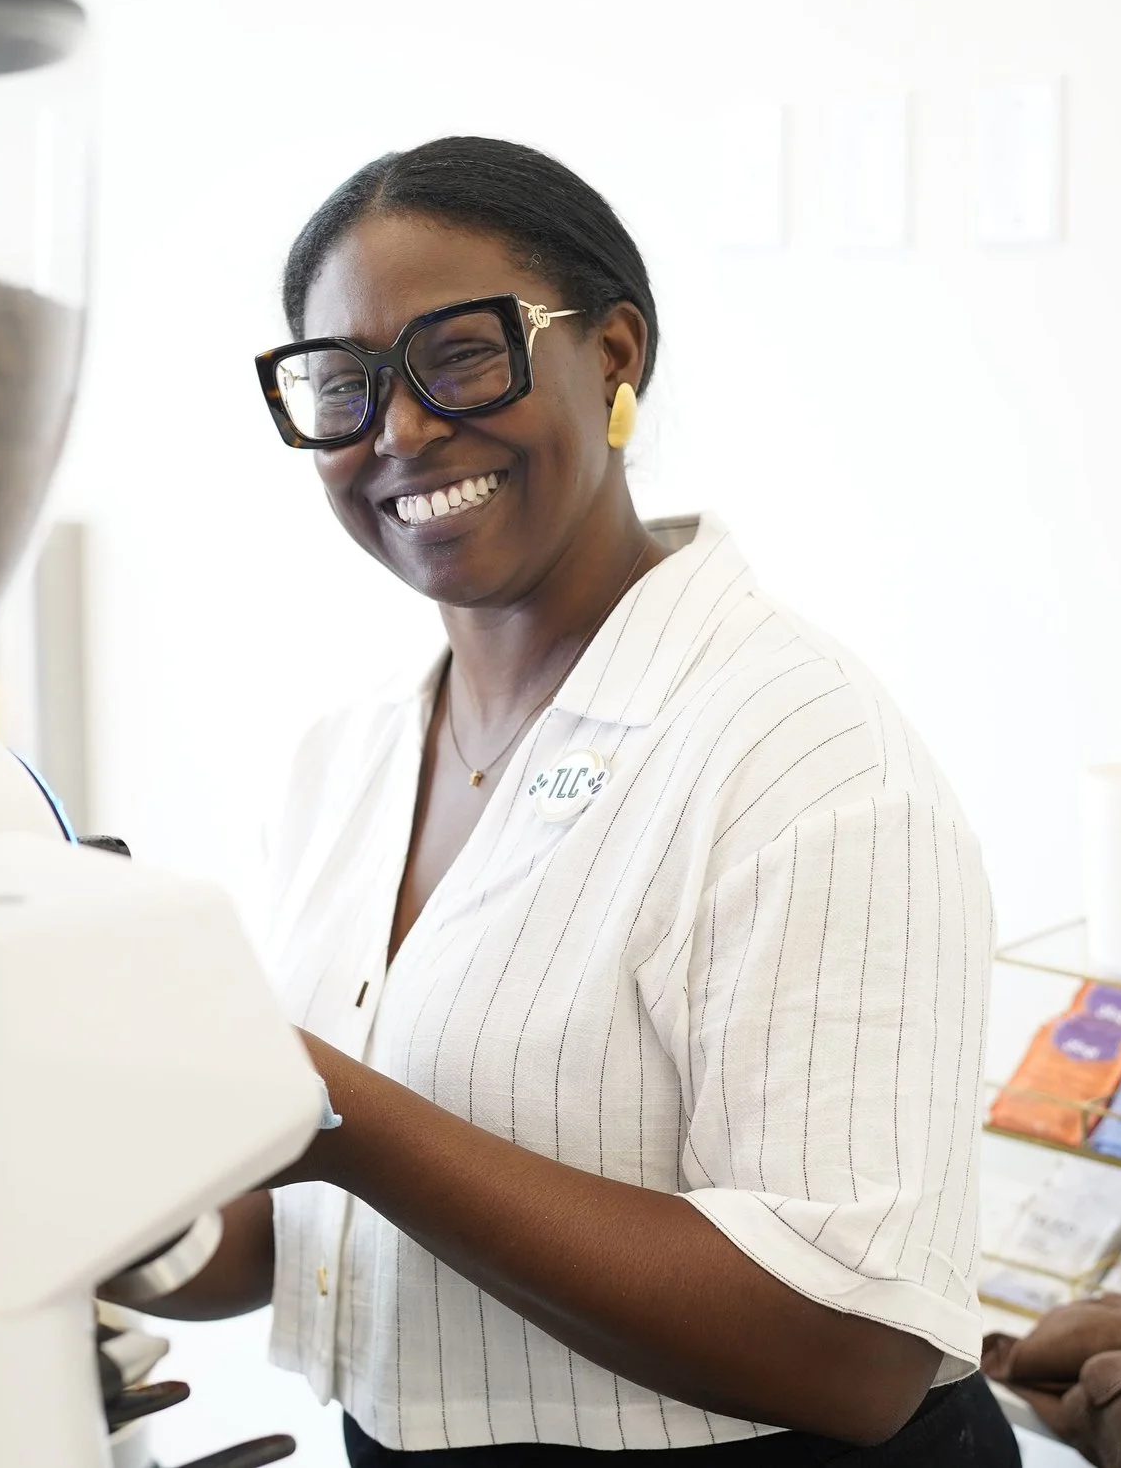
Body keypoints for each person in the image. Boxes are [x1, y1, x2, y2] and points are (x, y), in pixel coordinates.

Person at [145, 138, 1018, 1465]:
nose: (403, 429)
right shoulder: (349, 756)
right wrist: (83, 1195)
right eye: (346, 383)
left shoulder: (803, 754)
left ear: (612, 354)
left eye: (461, 354)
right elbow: (304, 1230)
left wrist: (344, 1116)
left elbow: (855, 1349)